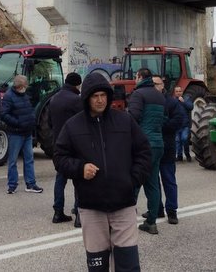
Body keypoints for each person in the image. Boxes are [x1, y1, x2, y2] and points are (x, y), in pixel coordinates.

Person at [54, 71, 151, 272]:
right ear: (86, 98)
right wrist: (80, 168)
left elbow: (143, 151)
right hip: (91, 207)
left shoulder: (124, 121)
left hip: (123, 205)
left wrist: (132, 180)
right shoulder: (73, 125)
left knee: (128, 266)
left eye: (103, 95)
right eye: (95, 96)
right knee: (97, 267)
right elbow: (60, 158)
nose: (100, 100)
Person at [127, 68, 166, 235]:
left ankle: (127, 221)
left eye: (136, 76)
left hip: (142, 145)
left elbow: (133, 117)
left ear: (140, 77)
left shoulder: (138, 94)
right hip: (158, 144)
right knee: (152, 184)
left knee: (133, 182)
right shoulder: (160, 96)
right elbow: (164, 119)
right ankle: (151, 222)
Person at [48, 71, 82, 225]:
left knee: (60, 178)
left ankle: (58, 212)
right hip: (75, 144)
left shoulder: (54, 98)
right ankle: (79, 214)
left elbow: (49, 123)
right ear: (77, 84)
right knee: (79, 179)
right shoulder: (77, 100)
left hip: (59, 144)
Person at [1, 75, 43, 195]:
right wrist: (18, 123)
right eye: (25, 86)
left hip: (27, 132)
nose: (26, 87)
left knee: (29, 159)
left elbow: (29, 109)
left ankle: (31, 184)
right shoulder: (9, 96)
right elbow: (4, 114)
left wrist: (32, 119)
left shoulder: (24, 95)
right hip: (15, 133)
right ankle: (12, 185)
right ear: (19, 86)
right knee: (13, 161)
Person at [156, 75, 187, 225]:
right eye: (152, 84)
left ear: (163, 85)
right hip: (151, 148)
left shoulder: (171, 102)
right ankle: (157, 209)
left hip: (167, 146)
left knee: (169, 180)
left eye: (157, 83)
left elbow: (179, 120)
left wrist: (161, 125)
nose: (154, 86)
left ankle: (172, 211)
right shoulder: (147, 101)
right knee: (153, 182)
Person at [174, 86, 193, 162]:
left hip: (185, 125)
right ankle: (179, 156)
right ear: (175, 93)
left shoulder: (186, 98)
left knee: (184, 139)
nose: (178, 93)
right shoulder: (173, 101)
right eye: (177, 91)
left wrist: (183, 102)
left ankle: (187, 154)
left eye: (180, 91)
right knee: (177, 141)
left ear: (182, 92)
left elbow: (190, 107)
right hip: (176, 125)